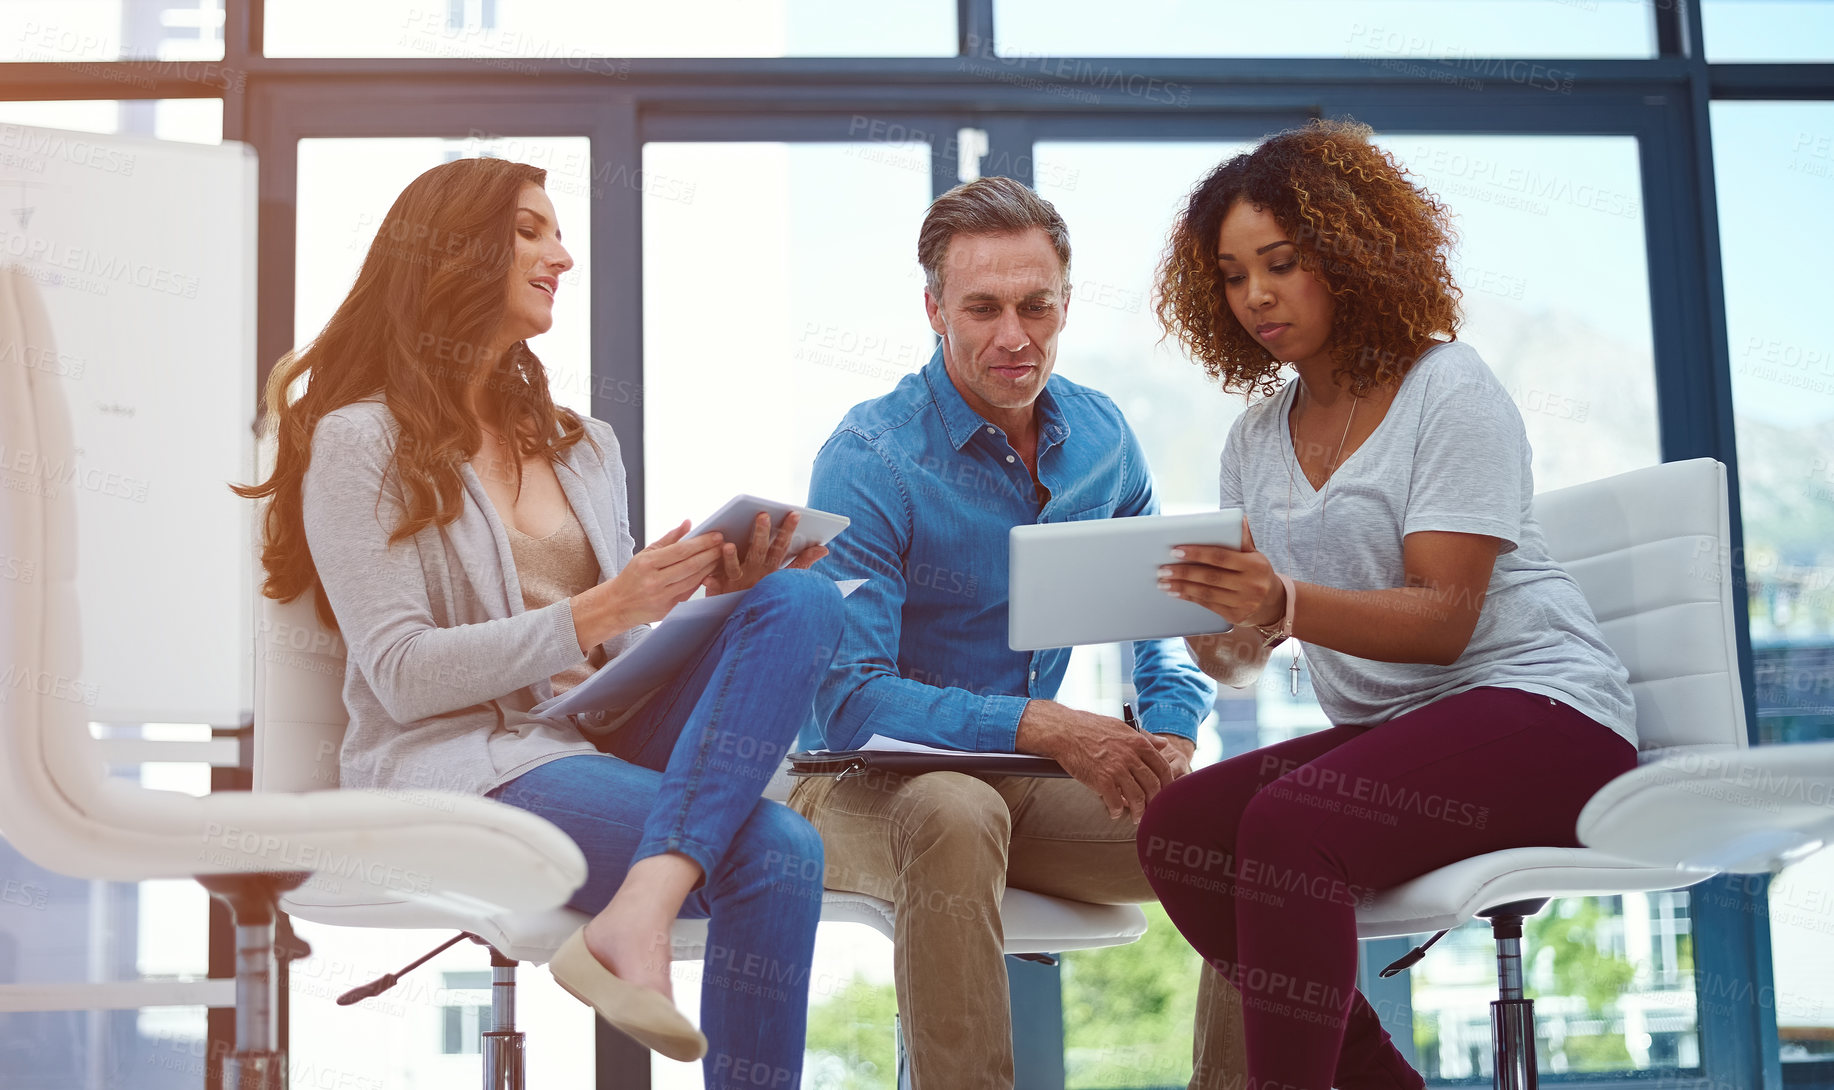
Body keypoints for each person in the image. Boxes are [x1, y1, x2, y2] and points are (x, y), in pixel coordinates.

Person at [234, 157, 841, 1083]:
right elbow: (399, 672)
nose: (560, 253)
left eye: (557, 232)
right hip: (466, 762)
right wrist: (604, 605)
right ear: (447, 253)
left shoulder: (582, 444)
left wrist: (708, 600)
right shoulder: (360, 440)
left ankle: (635, 910)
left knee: (797, 596)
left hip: (596, 733)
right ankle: (635, 920)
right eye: (529, 230)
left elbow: (613, 652)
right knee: (781, 850)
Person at [1137, 119, 1640, 1089]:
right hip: (1403, 734)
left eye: (1280, 264)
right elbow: (1252, 653)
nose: (1256, 297)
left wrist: (1281, 602)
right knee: (1183, 830)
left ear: (1349, 250)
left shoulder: (1446, 388)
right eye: (1235, 275)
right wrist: (1225, 633)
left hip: (1548, 717)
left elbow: (1443, 614)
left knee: (1287, 826)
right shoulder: (1253, 441)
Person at [789, 176, 1245, 1090]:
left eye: (1036, 306)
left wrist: (1170, 729)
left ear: (1066, 302)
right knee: (956, 808)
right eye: (983, 308)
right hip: (854, 784)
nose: (1014, 336)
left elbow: (1160, 618)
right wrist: (1045, 726)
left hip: (1015, 784)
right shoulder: (869, 459)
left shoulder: (1105, 438)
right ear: (932, 309)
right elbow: (847, 699)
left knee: (1248, 830)